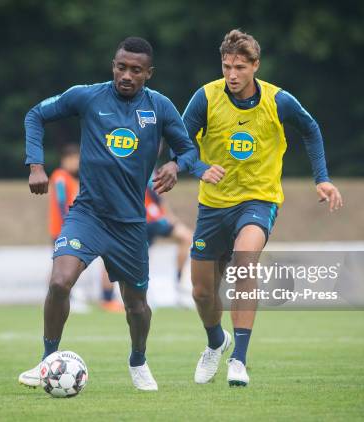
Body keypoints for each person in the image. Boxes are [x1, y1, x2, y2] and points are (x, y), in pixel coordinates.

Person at [19, 36, 224, 391]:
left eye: (135, 70)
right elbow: (35, 114)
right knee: (59, 282)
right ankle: (47, 361)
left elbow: (188, 150)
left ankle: (138, 359)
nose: (126, 75)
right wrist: (36, 164)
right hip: (88, 215)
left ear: (149, 73)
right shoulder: (87, 96)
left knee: (136, 307)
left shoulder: (159, 107)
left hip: (131, 224)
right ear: (113, 65)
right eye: (121, 67)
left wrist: (176, 166)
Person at [183, 29, 343, 387]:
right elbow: (181, 143)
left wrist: (322, 177)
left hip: (259, 200)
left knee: (245, 257)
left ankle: (238, 359)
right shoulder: (205, 98)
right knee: (202, 291)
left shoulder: (278, 100)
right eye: (226, 67)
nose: (232, 75)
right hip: (213, 206)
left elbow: (310, 129)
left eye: (240, 67)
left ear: (255, 65)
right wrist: (196, 168)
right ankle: (216, 342)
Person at [48, 145, 122, 312]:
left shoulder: (74, 180)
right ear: (65, 159)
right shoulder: (60, 176)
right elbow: (61, 202)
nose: (77, 163)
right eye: (74, 159)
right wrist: (67, 224)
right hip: (63, 228)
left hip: (73, 228)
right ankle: (60, 299)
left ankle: (60, 298)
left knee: (64, 265)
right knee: (63, 265)